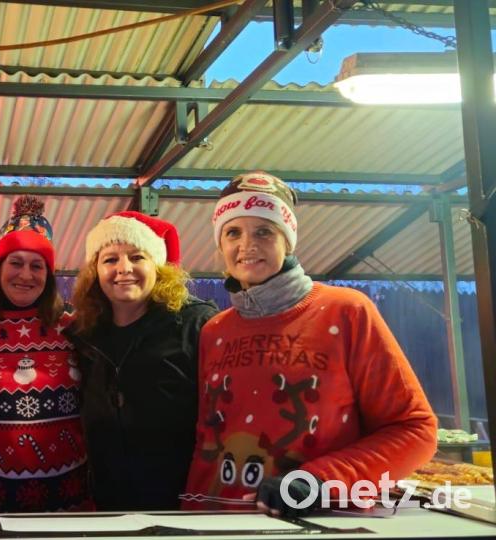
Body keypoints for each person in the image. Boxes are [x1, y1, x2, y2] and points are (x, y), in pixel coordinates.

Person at [184, 171, 437, 515]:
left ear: (288, 240)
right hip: (215, 522)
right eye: (233, 232)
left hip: (314, 522)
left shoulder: (346, 311)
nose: (247, 245)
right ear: (220, 245)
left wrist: (318, 481)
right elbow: (207, 439)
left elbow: (414, 429)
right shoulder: (214, 331)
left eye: (264, 231)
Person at [66, 211, 217, 511]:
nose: (124, 269)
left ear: (158, 267)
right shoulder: (84, 334)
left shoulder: (195, 325)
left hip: (181, 503)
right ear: (94, 271)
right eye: (110, 259)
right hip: (107, 504)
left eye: (137, 257)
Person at [0, 196, 90, 513]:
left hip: (67, 500)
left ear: (49, 273)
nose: (25, 275)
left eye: (37, 265)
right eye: (15, 263)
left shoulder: (75, 325)